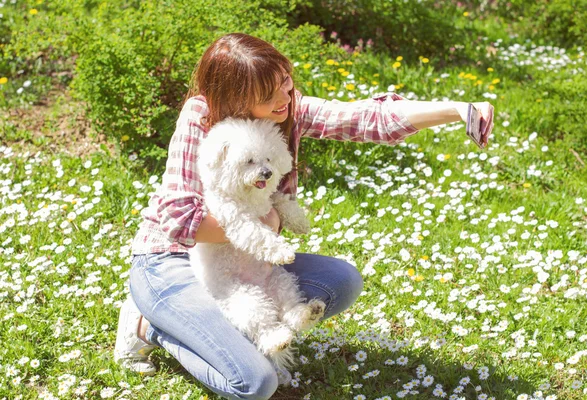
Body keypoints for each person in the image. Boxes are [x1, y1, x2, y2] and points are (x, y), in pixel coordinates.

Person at [114, 33, 494, 399]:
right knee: (255, 384)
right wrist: (263, 227)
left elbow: (366, 119)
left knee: (340, 281)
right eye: (268, 94)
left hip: (244, 259)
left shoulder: (288, 108)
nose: (285, 97)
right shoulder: (202, 116)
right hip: (169, 261)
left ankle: (235, 328)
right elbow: (180, 222)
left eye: (285, 81)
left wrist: (458, 110)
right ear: (236, 99)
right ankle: (150, 326)